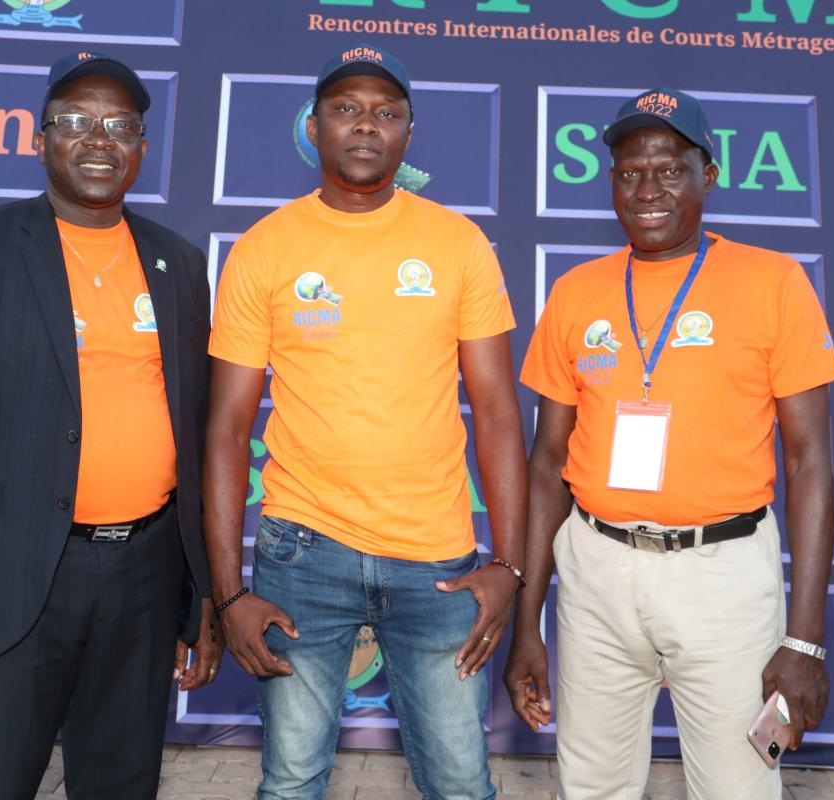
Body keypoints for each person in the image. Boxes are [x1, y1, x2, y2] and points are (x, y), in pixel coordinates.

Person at [0, 51, 222, 800]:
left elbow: (195, 439)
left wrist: (198, 594)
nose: (99, 139)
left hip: (144, 577)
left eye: (120, 125)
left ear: (142, 147)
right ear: (40, 140)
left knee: (122, 784)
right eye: (75, 121)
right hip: (10, 580)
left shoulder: (179, 264)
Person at [204, 44, 527, 799]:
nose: (365, 124)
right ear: (314, 125)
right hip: (302, 553)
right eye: (346, 108)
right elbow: (225, 427)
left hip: (437, 561)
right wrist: (228, 594)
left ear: (408, 132)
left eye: (386, 112)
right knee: (290, 782)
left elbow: (498, 413)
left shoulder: (457, 242)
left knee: (461, 784)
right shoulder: (265, 247)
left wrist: (509, 565)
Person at [504, 87, 834, 799]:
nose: (648, 191)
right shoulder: (576, 291)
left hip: (722, 573)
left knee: (737, 788)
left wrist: (804, 639)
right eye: (629, 173)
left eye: (669, 170)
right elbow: (546, 464)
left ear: (707, 175)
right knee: (590, 786)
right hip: (595, 569)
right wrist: (525, 622)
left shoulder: (774, 282)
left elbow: (810, 462)